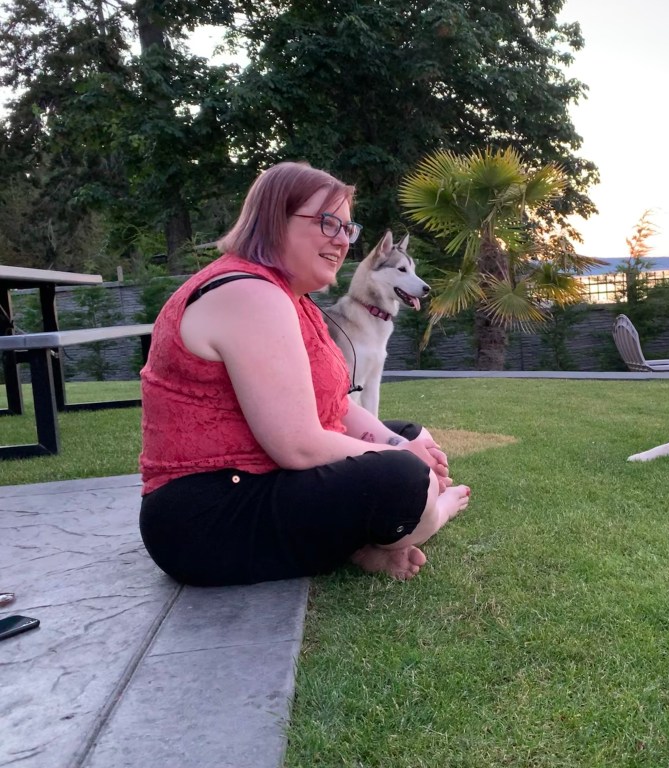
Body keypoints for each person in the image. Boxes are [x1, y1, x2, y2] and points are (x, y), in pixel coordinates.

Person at [138, 161, 470, 586]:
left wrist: (398, 442)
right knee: (406, 479)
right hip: (207, 517)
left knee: (411, 434)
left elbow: (333, 407)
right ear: (274, 218)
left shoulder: (291, 298)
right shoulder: (248, 293)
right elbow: (296, 446)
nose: (342, 241)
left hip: (256, 475)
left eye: (348, 229)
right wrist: (404, 459)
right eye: (328, 223)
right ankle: (428, 517)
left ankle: (362, 542)